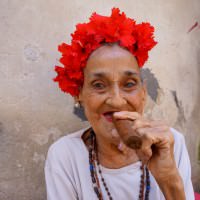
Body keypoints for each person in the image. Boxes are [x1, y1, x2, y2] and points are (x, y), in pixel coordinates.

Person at [45, 8, 194, 200]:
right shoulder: (65, 155)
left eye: (129, 84)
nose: (116, 100)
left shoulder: (172, 143)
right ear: (78, 94)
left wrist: (169, 180)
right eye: (99, 85)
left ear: (143, 92)